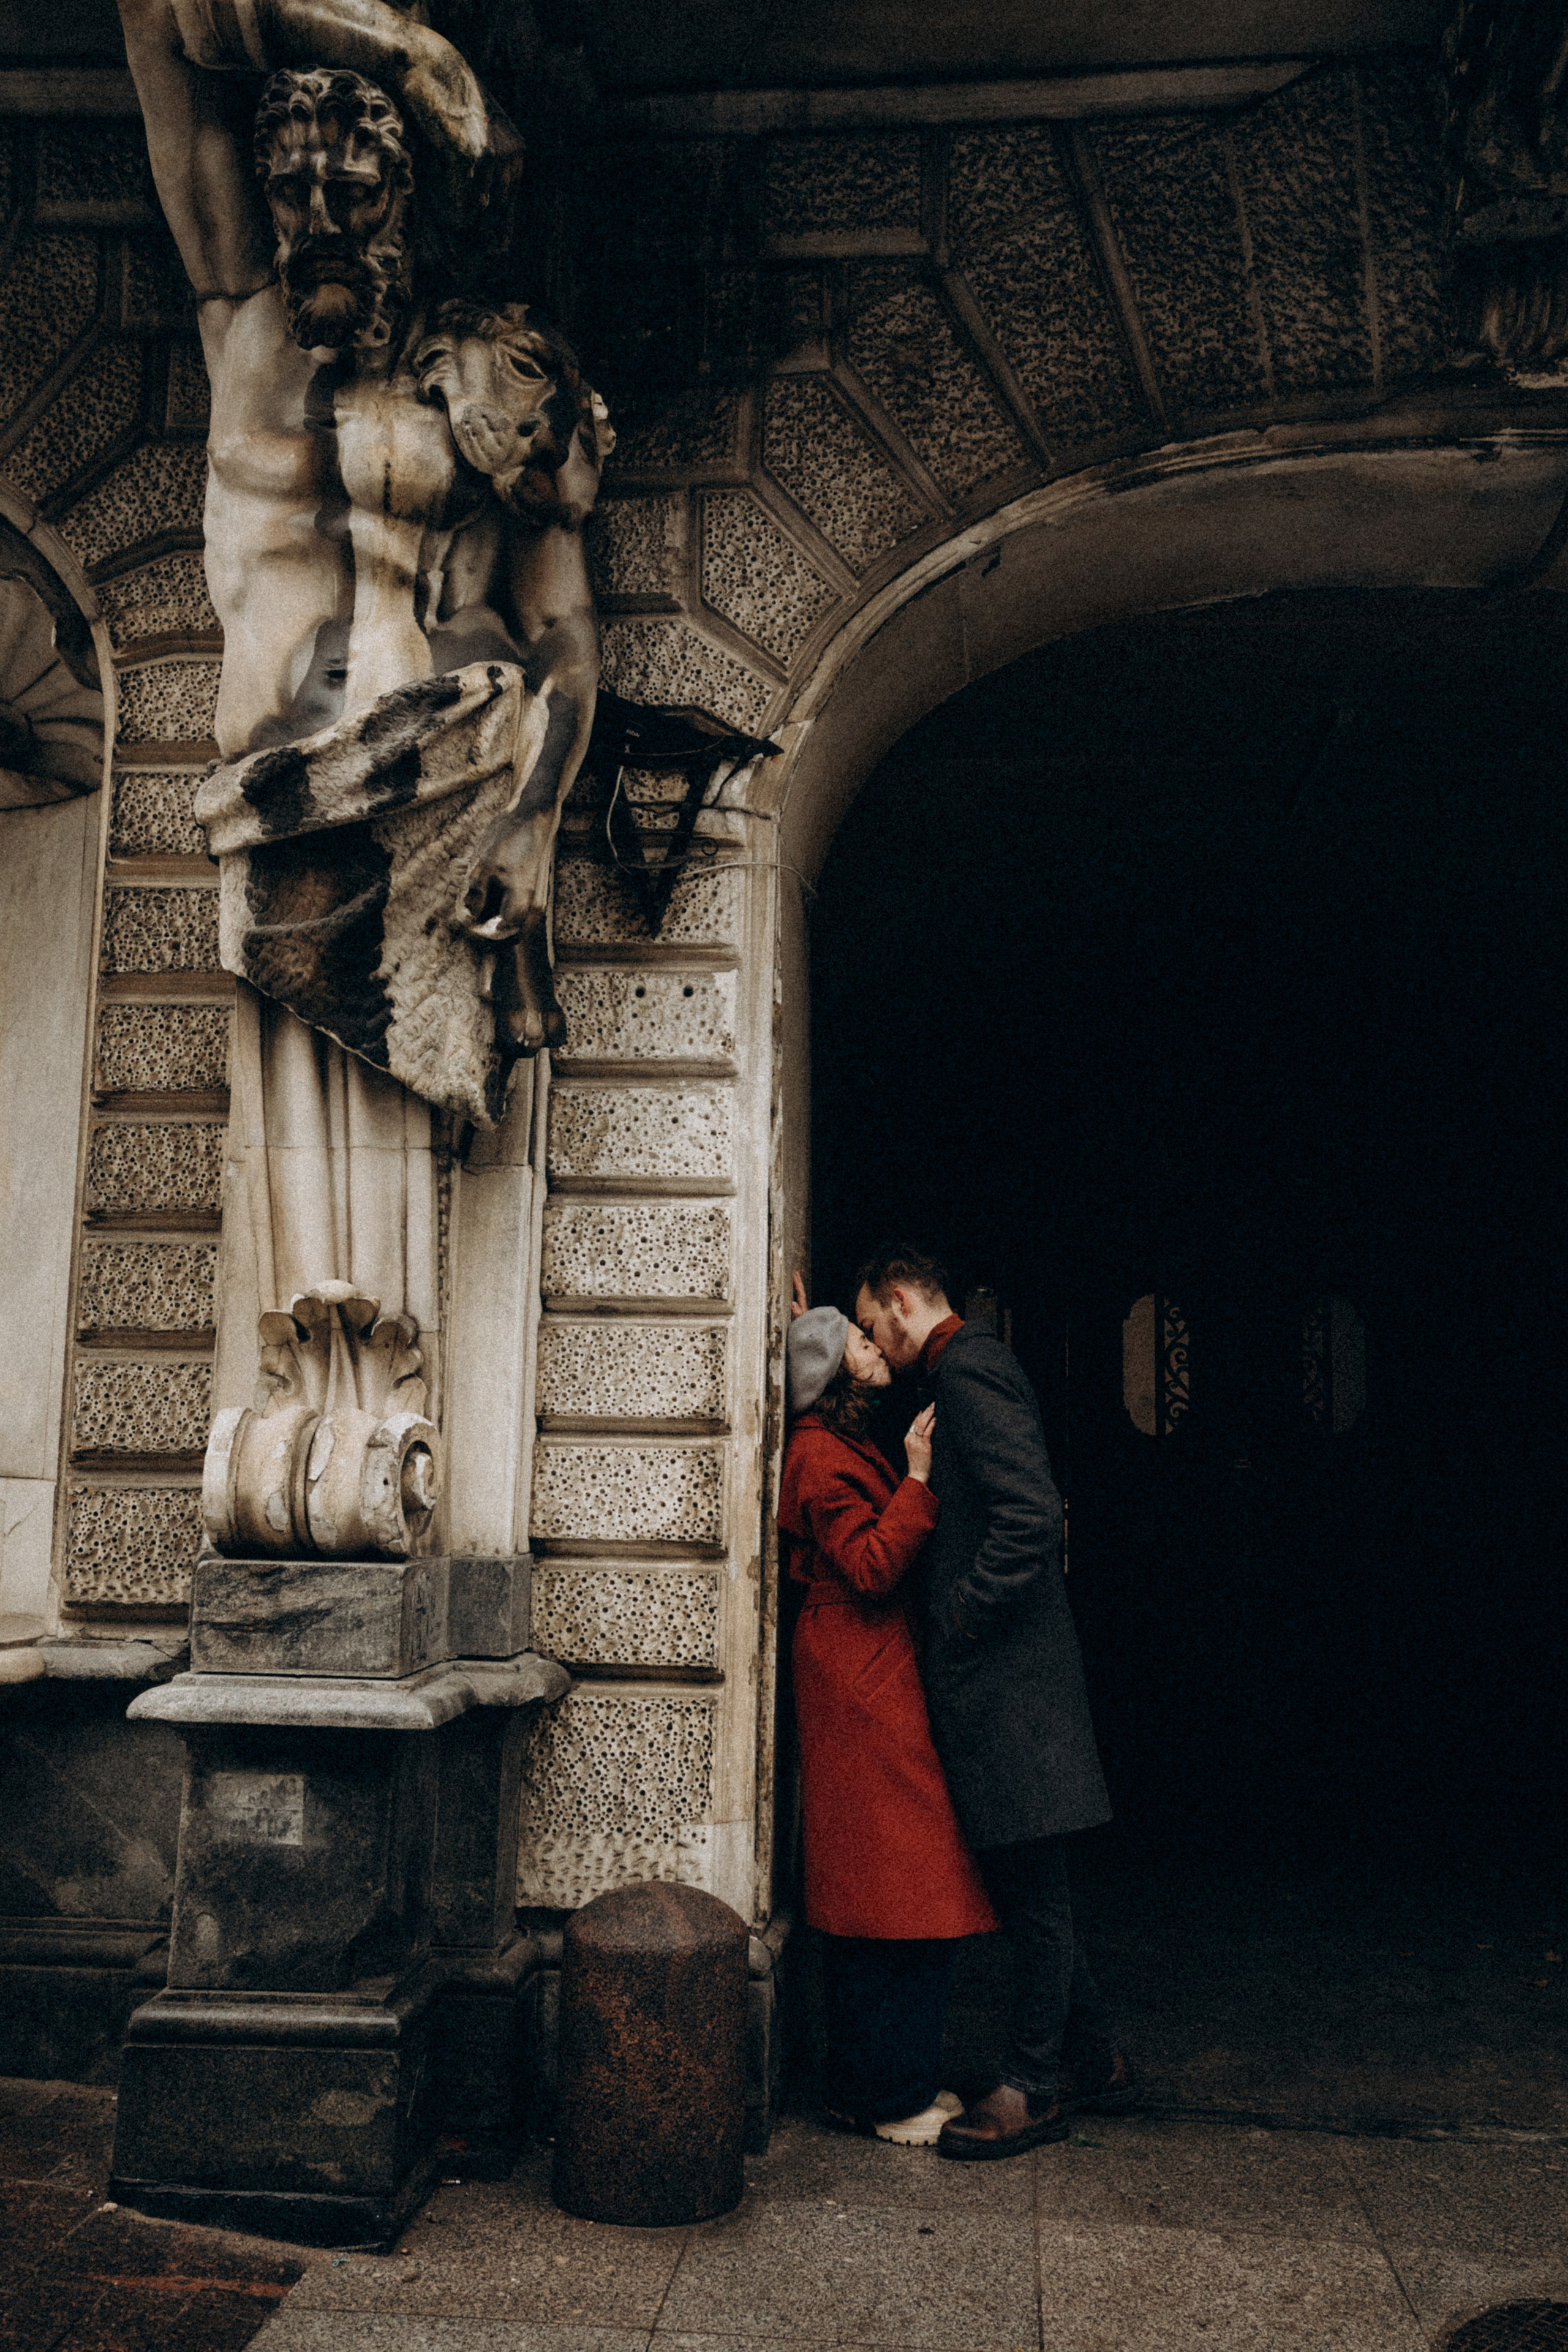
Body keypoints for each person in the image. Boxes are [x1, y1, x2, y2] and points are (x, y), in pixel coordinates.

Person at [852, 1246, 1136, 2161]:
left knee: (1037, 1894)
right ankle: (1092, 2056)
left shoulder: (968, 1367)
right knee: (1026, 1884)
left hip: (1010, 1686)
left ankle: (1032, 2086)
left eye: (868, 1327)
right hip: (1009, 1686)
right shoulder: (964, 1365)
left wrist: (959, 1623)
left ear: (901, 1303)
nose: (871, 1346)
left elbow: (1027, 1515)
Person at [779, 1297, 997, 2144]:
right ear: (837, 1373)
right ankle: (883, 2095)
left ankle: (881, 2085)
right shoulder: (819, 1456)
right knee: (892, 1889)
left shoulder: (836, 1442)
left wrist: (808, 1323)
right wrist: (915, 1477)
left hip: (871, 1667)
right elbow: (870, 1566)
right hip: (859, 1670)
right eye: (860, 1344)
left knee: (896, 1888)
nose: (876, 1347)